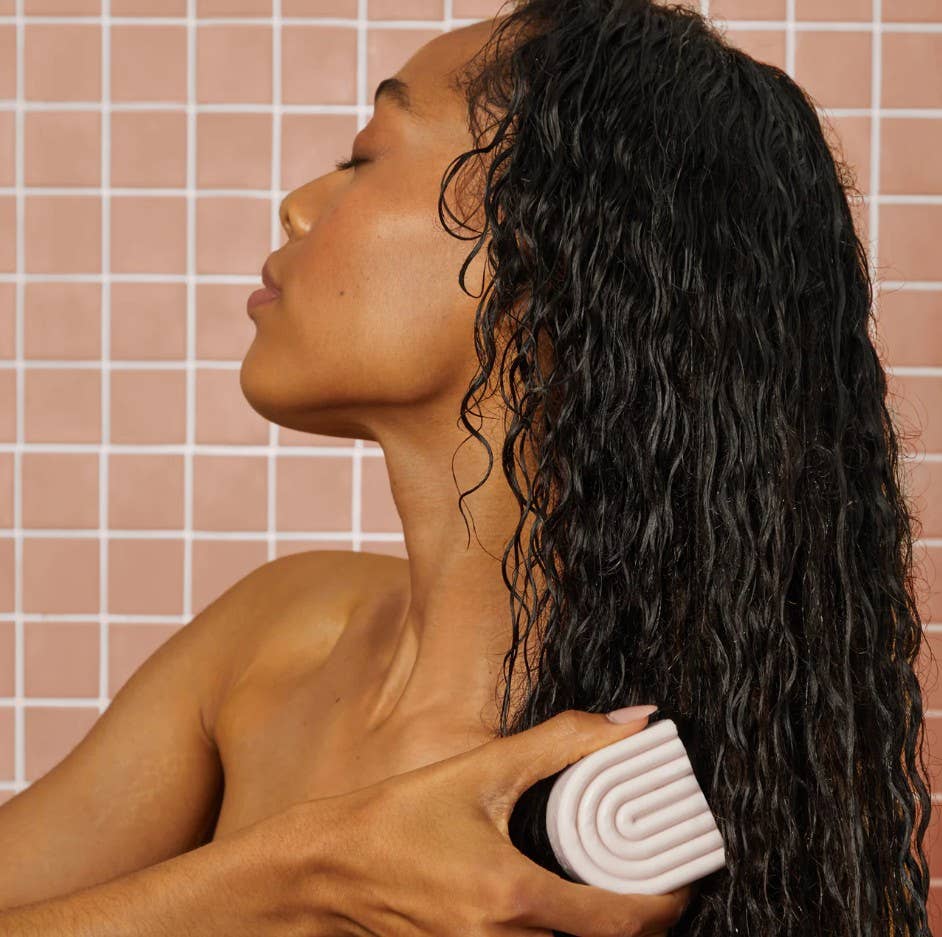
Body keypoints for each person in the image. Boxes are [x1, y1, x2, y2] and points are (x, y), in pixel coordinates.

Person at [0, 0, 932, 934]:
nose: (298, 204)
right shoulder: (277, 637)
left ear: (549, 253)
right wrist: (306, 872)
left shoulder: (638, 815)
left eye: (365, 157)